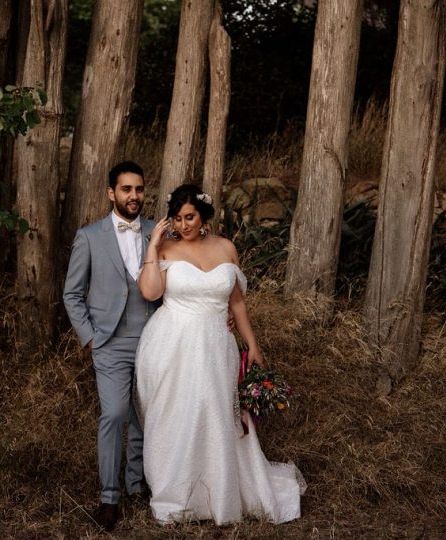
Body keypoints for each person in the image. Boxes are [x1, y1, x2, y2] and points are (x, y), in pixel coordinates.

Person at [134, 183, 305, 525]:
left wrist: (252, 344)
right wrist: (154, 244)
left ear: (203, 215)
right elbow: (151, 291)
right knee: (177, 414)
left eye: (190, 217)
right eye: (178, 219)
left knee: (215, 411)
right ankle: (177, 493)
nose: (184, 225)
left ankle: (218, 491)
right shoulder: (165, 248)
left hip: (216, 343)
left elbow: (237, 302)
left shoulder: (226, 247)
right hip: (174, 343)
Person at [62, 161, 160, 532]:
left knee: (145, 415)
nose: (134, 196)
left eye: (138, 189)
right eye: (126, 189)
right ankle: (109, 496)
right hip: (109, 342)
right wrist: (89, 338)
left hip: (154, 338)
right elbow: (72, 294)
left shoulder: (157, 232)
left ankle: (137, 484)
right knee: (116, 414)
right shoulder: (90, 237)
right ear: (111, 193)